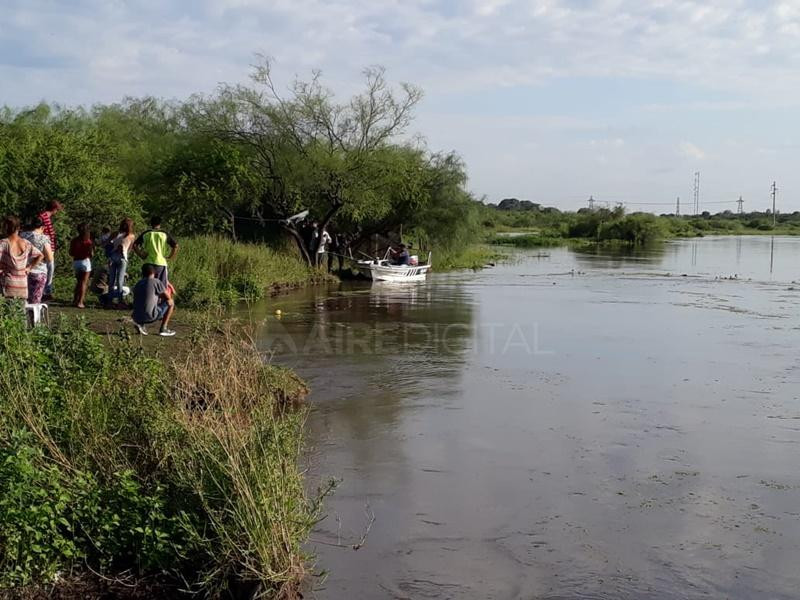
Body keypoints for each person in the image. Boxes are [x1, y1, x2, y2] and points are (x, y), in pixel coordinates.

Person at [0, 216, 43, 300]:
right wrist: (29, 268)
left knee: (7, 311)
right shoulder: (26, 243)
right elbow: (40, 255)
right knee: (20, 311)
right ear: (18, 228)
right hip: (22, 287)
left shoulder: (3, 243)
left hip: (7, 286)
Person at [132, 264, 175, 336]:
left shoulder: (138, 283)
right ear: (154, 273)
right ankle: (163, 328)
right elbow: (168, 297)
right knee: (171, 302)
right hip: (150, 315)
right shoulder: (156, 282)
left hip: (135, 316)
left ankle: (141, 325)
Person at [133, 216, 178, 286]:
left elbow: (135, 245)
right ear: (160, 224)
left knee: (147, 286)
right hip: (161, 263)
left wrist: (141, 255)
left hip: (148, 263)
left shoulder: (146, 233)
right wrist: (170, 257)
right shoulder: (164, 234)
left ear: (151, 224)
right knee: (161, 287)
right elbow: (175, 246)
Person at [20, 217, 54, 304]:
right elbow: (50, 259)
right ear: (43, 227)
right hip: (38, 272)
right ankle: (34, 317)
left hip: (22, 271)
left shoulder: (22, 236)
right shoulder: (43, 238)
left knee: (23, 300)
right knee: (35, 302)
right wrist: (49, 282)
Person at [108, 218, 135, 306]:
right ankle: (120, 301)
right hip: (123, 258)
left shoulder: (116, 234)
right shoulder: (131, 236)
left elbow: (108, 244)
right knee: (120, 280)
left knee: (111, 280)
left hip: (113, 256)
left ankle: (110, 300)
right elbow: (130, 249)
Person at [37, 200, 62, 300]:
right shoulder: (44, 217)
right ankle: (46, 290)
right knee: (48, 268)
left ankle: (46, 290)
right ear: (54, 209)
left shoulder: (46, 217)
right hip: (46, 246)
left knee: (48, 268)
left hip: (49, 246)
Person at [68, 223, 93, 308]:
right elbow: (91, 254)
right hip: (85, 261)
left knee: (78, 282)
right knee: (84, 283)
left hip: (76, 262)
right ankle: (80, 302)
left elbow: (71, 252)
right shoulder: (88, 241)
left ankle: (75, 299)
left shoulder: (74, 240)